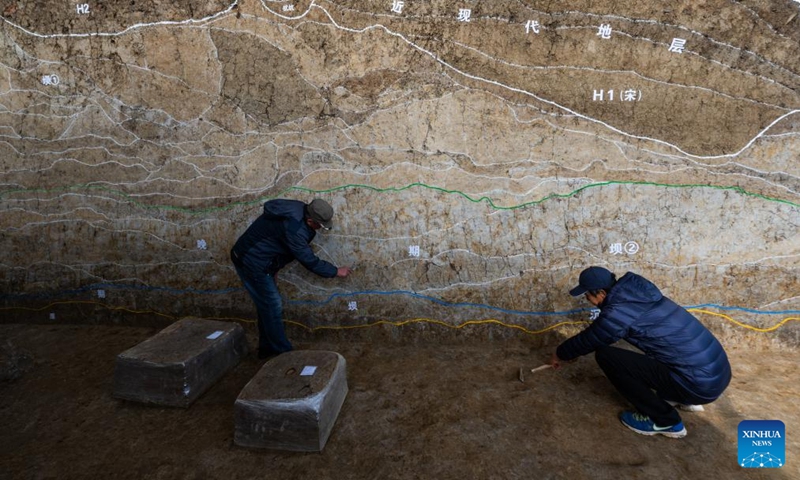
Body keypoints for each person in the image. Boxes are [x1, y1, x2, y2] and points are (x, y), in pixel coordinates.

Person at [549, 266, 731, 438]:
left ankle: (665, 421)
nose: (588, 299)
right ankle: (677, 397)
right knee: (653, 351)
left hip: (698, 385)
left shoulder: (618, 312)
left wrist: (560, 354)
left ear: (601, 293)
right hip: (716, 375)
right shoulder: (640, 295)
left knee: (607, 356)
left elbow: (589, 340)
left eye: (588, 295)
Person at [231, 198, 352, 359]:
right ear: (310, 221)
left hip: (258, 258)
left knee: (266, 305)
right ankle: (283, 354)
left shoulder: (298, 208)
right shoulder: (295, 230)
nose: (321, 229)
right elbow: (308, 260)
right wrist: (335, 271)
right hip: (251, 262)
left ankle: (267, 348)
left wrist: (272, 269)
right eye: (320, 225)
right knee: (273, 304)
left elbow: (276, 242)